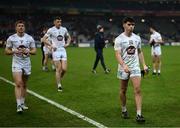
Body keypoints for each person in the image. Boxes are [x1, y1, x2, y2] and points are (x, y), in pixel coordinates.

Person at [114, 17, 148, 123]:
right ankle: (124, 109)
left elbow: (139, 51)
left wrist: (144, 65)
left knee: (137, 89)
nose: (131, 26)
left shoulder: (137, 38)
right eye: (129, 24)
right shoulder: (119, 39)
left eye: (133, 24)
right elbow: (117, 54)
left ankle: (139, 114)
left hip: (135, 67)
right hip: (123, 67)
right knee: (123, 90)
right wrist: (124, 65)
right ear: (124, 25)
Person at [5, 20, 36, 113]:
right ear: (16, 28)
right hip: (16, 63)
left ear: (24, 27)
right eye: (19, 26)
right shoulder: (11, 38)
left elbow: (34, 51)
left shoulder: (29, 38)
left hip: (27, 63)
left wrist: (29, 51)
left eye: (22, 26)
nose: (21, 27)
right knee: (18, 83)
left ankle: (22, 102)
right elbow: (6, 51)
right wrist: (13, 51)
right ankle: (18, 105)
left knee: (25, 84)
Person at [42, 17, 71, 92]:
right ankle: (59, 85)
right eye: (58, 22)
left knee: (64, 69)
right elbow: (43, 39)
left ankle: (59, 79)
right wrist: (51, 46)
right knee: (59, 69)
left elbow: (69, 37)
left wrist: (67, 43)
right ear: (54, 22)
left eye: (60, 22)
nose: (59, 23)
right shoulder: (51, 30)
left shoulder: (64, 29)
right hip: (56, 51)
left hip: (63, 50)